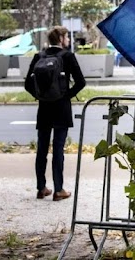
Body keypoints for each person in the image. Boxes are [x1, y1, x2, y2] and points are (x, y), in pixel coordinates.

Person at [24, 25, 86, 201]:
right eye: (67, 37)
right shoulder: (67, 56)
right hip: (61, 109)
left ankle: (41, 187)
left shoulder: (39, 56)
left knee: (42, 148)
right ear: (60, 39)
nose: (68, 41)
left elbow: (27, 84)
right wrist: (65, 96)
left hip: (44, 108)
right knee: (58, 149)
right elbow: (81, 82)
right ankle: (59, 190)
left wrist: (40, 96)